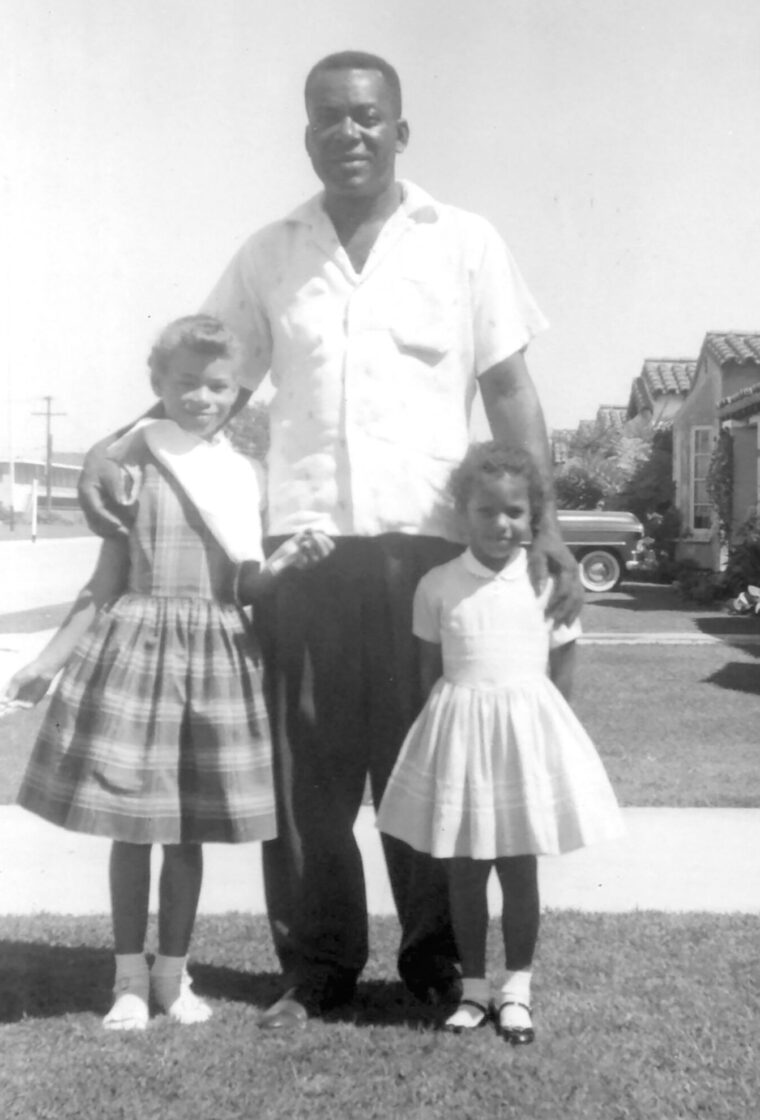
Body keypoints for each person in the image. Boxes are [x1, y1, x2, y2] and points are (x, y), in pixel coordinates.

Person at [77, 51, 583, 1029]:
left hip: (428, 554)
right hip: (304, 554)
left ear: (400, 131)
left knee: (431, 762)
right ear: (306, 133)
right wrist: (114, 441)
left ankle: (438, 963)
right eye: (327, 119)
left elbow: (510, 391)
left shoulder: (466, 243)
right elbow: (202, 372)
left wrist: (548, 527)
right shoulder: (271, 253)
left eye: (365, 118)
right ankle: (317, 967)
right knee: (306, 776)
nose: (346, 134)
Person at [3, 315, 332, 1031]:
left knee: (187, 832)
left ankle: (172, 978)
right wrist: (44, 662)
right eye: (186, 384)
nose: (203, 399)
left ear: (234, 391)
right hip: (140, 655)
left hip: (215, 659)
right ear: (158, 385)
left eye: (218, 386)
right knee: (131, 827)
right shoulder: (132, 465)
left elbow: (244, 587)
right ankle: (127, 979)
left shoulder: (238, 475)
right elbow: (102, 586)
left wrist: (280, 568)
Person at [376, 443, 624, 1044]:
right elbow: (426, 674)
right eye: (486, 511)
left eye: (515, 512)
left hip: (523, 746)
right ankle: (475, 989)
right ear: (464, 513)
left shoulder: (547, 584)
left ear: (533, 516)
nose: (501, 524)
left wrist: (541, 749)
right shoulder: (437, 585)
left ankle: (517, 989)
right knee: (464, 872)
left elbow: (560, 677)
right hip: (460, 738)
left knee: (518, 870)